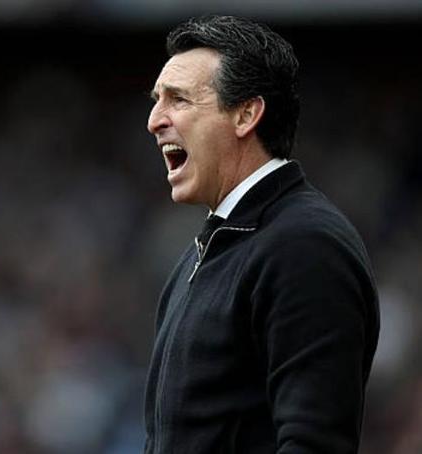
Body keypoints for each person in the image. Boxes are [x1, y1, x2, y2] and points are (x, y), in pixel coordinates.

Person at [143, 15, 379, 453]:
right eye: (158, 101)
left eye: (178, 99)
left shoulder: (305, 246)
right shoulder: (206, 252)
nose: (154, 120)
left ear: (246, 114)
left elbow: (314, 442)